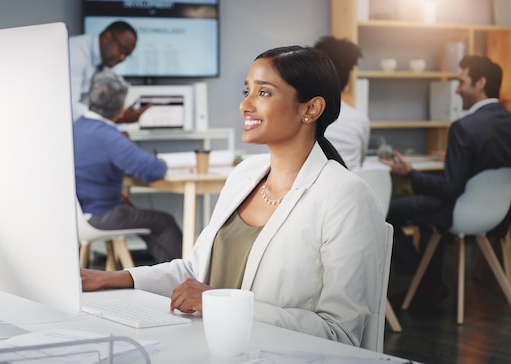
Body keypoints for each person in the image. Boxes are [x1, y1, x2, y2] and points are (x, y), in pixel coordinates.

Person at [81, 46, 388, 347]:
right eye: (247, 91)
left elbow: (340, 333)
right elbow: (194, 271)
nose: (245, 105)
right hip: (208, 346)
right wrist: (111, 278)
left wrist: (217, 302)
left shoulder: (346, 197)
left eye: (264, 93)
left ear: (310, 109)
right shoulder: (244, 174)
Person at [380, 55, 511, 304]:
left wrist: (411, 174)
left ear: (480, 83)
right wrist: (455, 158)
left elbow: (450, 188)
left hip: (459, 210)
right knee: (429, 212)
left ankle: (419, 273)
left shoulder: (465, 126)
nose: (458, 90)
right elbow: (491, 163)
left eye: (462, 82)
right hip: (499, 215)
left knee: (382, 212)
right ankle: (429, 283)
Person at [73, 69, 182, 263]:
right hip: (101, 215)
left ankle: (165, 272)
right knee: (164, 222)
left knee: (135, 212)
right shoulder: (109, 136)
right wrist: (161, 163)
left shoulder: (76, 126)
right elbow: (151, 171)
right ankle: (185, 277)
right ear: (121, 107)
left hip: (77, 215)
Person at [69, 21, 149, 122]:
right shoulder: (75, 53)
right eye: (122, 50)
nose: (122, 58)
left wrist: (117, 115)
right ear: (107, 37)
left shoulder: (107, 62)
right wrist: (115, 119)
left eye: (127, 55)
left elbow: (101, 107)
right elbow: (68, 108)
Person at [314, 35, 370, 170]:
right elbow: (360, 162)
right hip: (350, 187)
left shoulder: (300, 116)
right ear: (347, 77)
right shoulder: (359, 121)